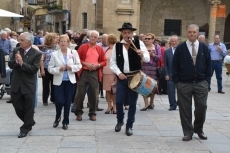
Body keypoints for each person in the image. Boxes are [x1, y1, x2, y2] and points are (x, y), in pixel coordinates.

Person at [172, 24, 211, 141]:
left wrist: (207, 81)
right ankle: (188, 132)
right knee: (185, 108)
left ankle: (198, 129)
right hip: (184, 83)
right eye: (190, 32)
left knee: (202, 107)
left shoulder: (204, 48)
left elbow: (209, 65)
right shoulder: (180, 48)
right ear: (186, 33)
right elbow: (174, 65)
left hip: (201, 83)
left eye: (194, 32)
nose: (192, 34)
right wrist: (177, 82)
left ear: (198, 33)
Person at [110, 22, 150, 136]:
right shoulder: (117, 46)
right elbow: (112, 63)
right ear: (122, 34)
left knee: (132, 102)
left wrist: (141, 54)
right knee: (119, 101)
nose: (127, 35)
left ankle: (129, 125)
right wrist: (118, 73)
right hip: (122, 77)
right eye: (125, 32)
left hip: (135, 77)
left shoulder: (139, 43)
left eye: (129, 32)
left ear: (132, 33)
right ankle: (120, 121)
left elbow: (147, 59)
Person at [8, 32, 42, 138]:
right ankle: (29, 121)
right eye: (19, 39)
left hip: (28, 85)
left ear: (28, 42)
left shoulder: (37, 53)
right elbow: (10, 64)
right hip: (16, 84)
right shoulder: (17, 50)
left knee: (29, 107)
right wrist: (16, 62)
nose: (19, 42)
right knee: (17, 106)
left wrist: (22, 63)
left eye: (22, 40)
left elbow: (34, 69)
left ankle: (25, 128)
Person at [48, 34, 82, 130]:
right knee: (59, 101)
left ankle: (65, 121)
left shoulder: (73, 52)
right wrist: (59, 69)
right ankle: (57, 117)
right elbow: (50, 69)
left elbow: (79, 65)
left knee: (67, 102)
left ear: (68, 43)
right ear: (58, 43)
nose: (63, 43)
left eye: (65, 41)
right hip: (59, 81)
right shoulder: (54, 54)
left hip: (70, 81)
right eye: (61, 41)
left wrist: (72, 68)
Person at [74, 30, 106, 121]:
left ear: (98, 39)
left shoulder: (99, 49)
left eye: (95, 37)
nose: (93, 38)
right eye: (92, 36)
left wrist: (98, 65)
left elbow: (104, 61)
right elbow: (77, 59)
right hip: (84, 72)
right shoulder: (83, 47)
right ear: (89, 37)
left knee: (94, 94)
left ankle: (92, 113)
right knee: (80, 93)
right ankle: (78, 112)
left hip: (94, 73)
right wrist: (85, 64)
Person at [140, 33, 161, 111]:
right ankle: (146, 104)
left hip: (153, 68)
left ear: (153, 40)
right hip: (144, 67)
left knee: (153, 86)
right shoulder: (143, 47)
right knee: (143, 85)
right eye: (146, 38)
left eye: (149, 39)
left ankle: (151, 102)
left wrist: (153, 55)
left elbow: (159, 57)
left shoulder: (156, 47)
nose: (147, 40)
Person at [40, 33, 58, 106]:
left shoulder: (57, 47)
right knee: (45, 85)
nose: (57, 39)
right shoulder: (44, 48)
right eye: (55, 38)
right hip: (46, 68)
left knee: (54, 84)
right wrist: (42, 70)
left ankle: (53, 98)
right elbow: (41, 60)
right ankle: (45, 100)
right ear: (50, 39)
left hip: (54, 68)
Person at [103, 34, 117, 114]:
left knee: (113, 91)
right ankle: (109, 105)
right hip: (105, 72)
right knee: (107, 90)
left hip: (113, 72)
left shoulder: (115, 50)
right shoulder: (107, 50)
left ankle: (114, 106)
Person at [164, 35, 179, 111]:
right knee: (171, 91)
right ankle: (172, 105)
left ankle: (179, 102)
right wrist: (166, 74)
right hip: (170, 74)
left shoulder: (182, 50)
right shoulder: (167, 51)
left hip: (180, 75)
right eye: (172, 41)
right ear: (170, 42)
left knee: (182, 91)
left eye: (175, 41)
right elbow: (165, 64)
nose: (174, 42)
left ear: (178, 42)